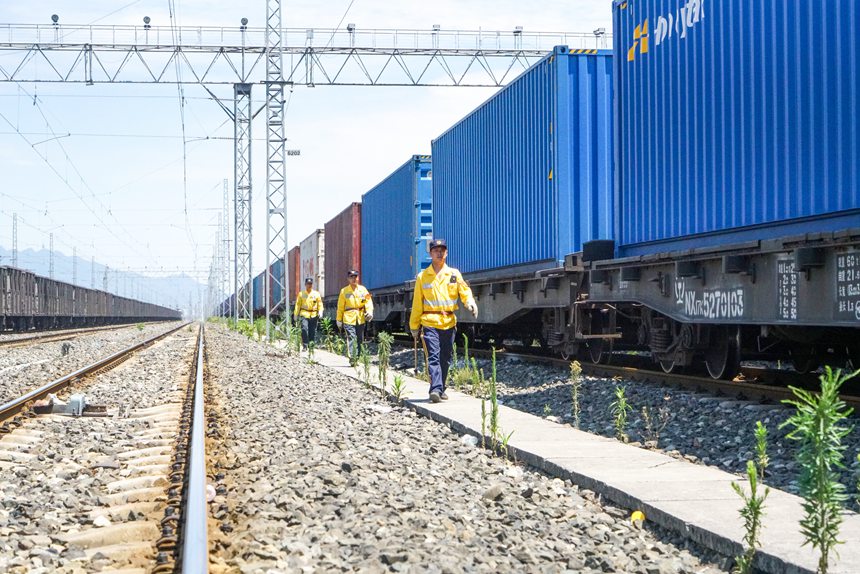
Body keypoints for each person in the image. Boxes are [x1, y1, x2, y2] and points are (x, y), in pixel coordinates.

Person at [409, 239, 478, 403]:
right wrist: (414, 326)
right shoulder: (423, 277)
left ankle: (441, 387)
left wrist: (470, 302)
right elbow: (417, 303)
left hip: (448, 322)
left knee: (445, 357)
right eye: (435, 250)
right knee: (433, 356)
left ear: (446, 253)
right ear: (430, 254)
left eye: (442, 250)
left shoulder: (454, 274)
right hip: (429, 322)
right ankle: (435, 389)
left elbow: (464, 291)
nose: (439, 253)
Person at [336, 269, 374, 365]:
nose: (354, 279)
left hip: (360, 318)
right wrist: (339, 319)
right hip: (348, 318)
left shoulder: (363, 289)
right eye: (351, 277)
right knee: (352, 337)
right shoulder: (344, 291)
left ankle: (357, 357)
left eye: (355, 277)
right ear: (348, 279)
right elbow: (340, 306)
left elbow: (368, 301)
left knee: (360, 339)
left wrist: (369, 312)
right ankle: (352, 358)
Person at [293, 277, 323, 350]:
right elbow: (298, 305)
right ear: (305, 284)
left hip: (313, 314)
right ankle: (305, 345)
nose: (309, 285)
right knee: (304, 329)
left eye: (310, 284)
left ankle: (311, 345)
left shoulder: (316, 294)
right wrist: (295, 314)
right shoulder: (301, 294)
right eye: (308, 284)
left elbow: (320, 304)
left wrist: (320, 311)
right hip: (304, 313)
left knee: (312, 331)